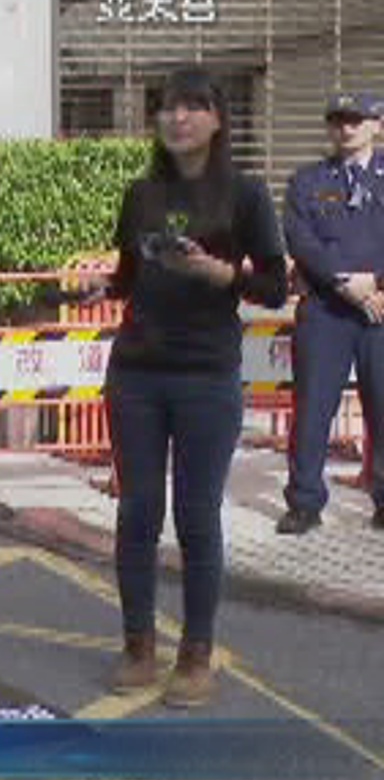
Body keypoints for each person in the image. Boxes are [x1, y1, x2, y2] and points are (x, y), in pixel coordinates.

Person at [101, 67, 287, 708]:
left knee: (197, 516)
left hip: (207, 375)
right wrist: (100, 287)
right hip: (135, 374)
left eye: (191, 106)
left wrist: (221, 273)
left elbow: (275, 288)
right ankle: (138, 645)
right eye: (166, 107)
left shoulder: (246, 194)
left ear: (216, 119)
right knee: (137, 511)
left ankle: (196, 654)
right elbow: (128, 276)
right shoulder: (141, 194)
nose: (177, 118)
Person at [279, 91, 384, 535]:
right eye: (338, 120)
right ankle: (304, 502)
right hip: (326, 310)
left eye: (356, 120)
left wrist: (374, 283)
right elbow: (301, 240)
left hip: (380, 309)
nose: (346, 128)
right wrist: (345, 283)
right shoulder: (307, 181)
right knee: (313, 409)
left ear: (377, 125)